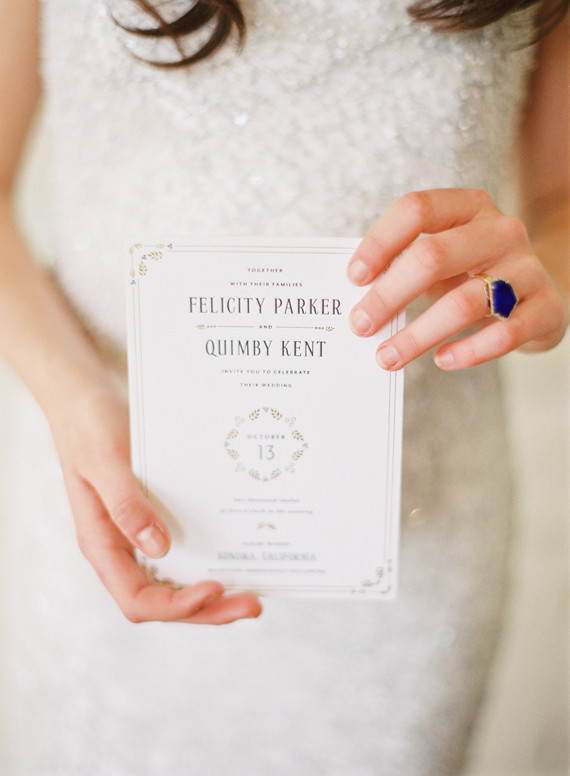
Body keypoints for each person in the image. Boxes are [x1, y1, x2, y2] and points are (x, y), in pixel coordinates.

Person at [0, 1, 567, 774]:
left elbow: (561, 202)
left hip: (411, 535)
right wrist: (74, 400)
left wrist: (540, 282)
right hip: (111, 485)